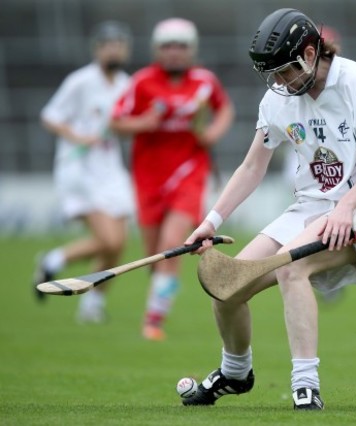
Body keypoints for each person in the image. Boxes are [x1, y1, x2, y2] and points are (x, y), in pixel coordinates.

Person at [180, 8, 356, 410]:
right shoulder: (278, 99)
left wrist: (347, 210)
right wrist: (210, 222)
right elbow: (251, 167)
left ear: (312, 53)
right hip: (308, 209)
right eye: (272, 74)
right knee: (226, 284)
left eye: (285, 71)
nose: (279, 82)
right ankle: (235, 372)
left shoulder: (354, 82)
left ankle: (305, 384)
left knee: (290, 266)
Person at [110, 18, 235, 341]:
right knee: (154, 255)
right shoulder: (142, 82)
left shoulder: (205, 82)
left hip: (190, 173)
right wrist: (146, 123)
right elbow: (117, 122)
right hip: (149, 177)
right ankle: (160, 296)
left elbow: (224, 111)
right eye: (168, 46)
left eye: (181, 46)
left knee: (172, 243)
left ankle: (153, 320)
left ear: (191, 49)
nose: (175, 53)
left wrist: (212, 133)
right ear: (157, 50)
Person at [35, 21, 134, 323]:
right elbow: (49, 116)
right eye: (108, 44)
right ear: (97, 49)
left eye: (118, 44)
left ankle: (92, 304)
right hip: (79, 168)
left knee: (119, 245)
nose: (113, 49)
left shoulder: (126, 84)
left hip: (110, 169)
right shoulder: (80, 81)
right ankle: (55, 259)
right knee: (109, 240)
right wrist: (78, 136)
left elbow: (126, 125)